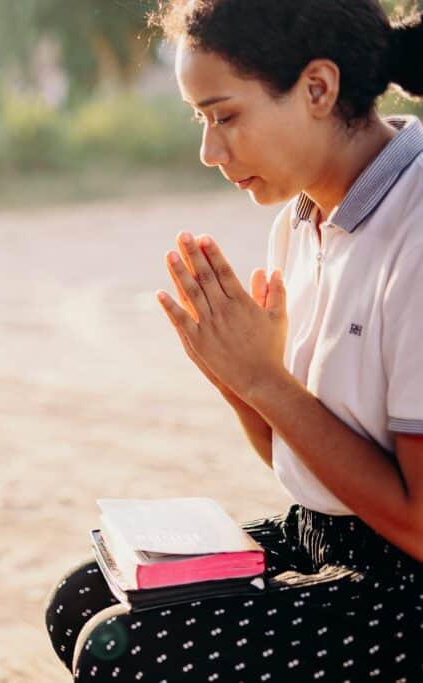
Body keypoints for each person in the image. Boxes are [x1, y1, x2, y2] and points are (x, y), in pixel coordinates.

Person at [45, 1, 423, 680]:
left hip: (407, 586)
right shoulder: (302, 223)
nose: (209, 151)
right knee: (81, 599)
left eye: (224, 116)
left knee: (126, 654)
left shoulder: (415, 228)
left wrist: (265, 381)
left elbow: (419, 523)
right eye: (201, 120)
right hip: (320, 535)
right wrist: (239, 380)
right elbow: (300, 462)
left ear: (317, 89)